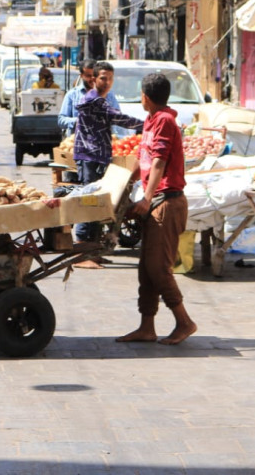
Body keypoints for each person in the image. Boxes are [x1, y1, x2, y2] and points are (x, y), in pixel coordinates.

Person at [117, 73, 197, 346]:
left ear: (145, 97)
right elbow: (146, 161)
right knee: (146, 269)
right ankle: (147, 327)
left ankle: (184, 322)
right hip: (157, 201)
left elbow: (160, 162)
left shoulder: (164, 120)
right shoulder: (152, 120)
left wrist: (147, 198)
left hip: (167, 203)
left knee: (159, 268)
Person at [72, 61, 143, 244]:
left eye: (111, 79)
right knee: (90, 200)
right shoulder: (93, 100)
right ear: (94, 79)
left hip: (99, 155)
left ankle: (93, 249)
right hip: (90, 156)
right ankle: (82, 246)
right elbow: (117, 117)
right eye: (103, 78)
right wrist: (146, 124)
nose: (108, 82)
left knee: (97, 200)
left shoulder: (100, 99)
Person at [57, 60, 119, 137]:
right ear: (81, 75)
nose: (92, 79)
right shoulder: (72, 95)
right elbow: (61, 120)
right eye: (88, 76)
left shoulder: (109, 95)